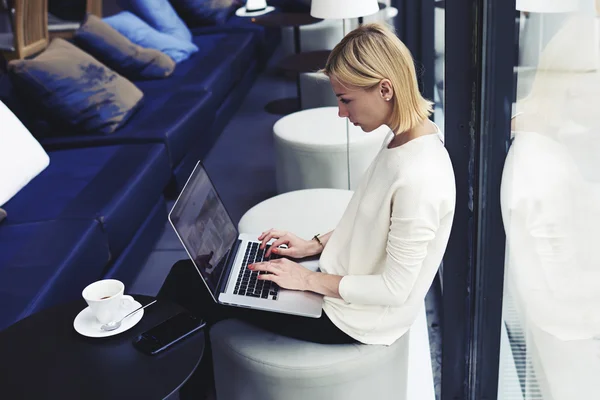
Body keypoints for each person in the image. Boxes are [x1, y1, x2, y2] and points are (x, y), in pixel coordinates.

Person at [161, 23, 455, 348]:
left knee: (191, 286)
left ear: (385, 89)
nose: (341, 112)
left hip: (353, 319)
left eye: (346, 100)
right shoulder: (405, 135)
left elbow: (394, 290)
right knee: (197, 277)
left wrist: (306, 279)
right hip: (341, 284)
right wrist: (313, 246)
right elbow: (369, 222)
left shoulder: (420, 179)